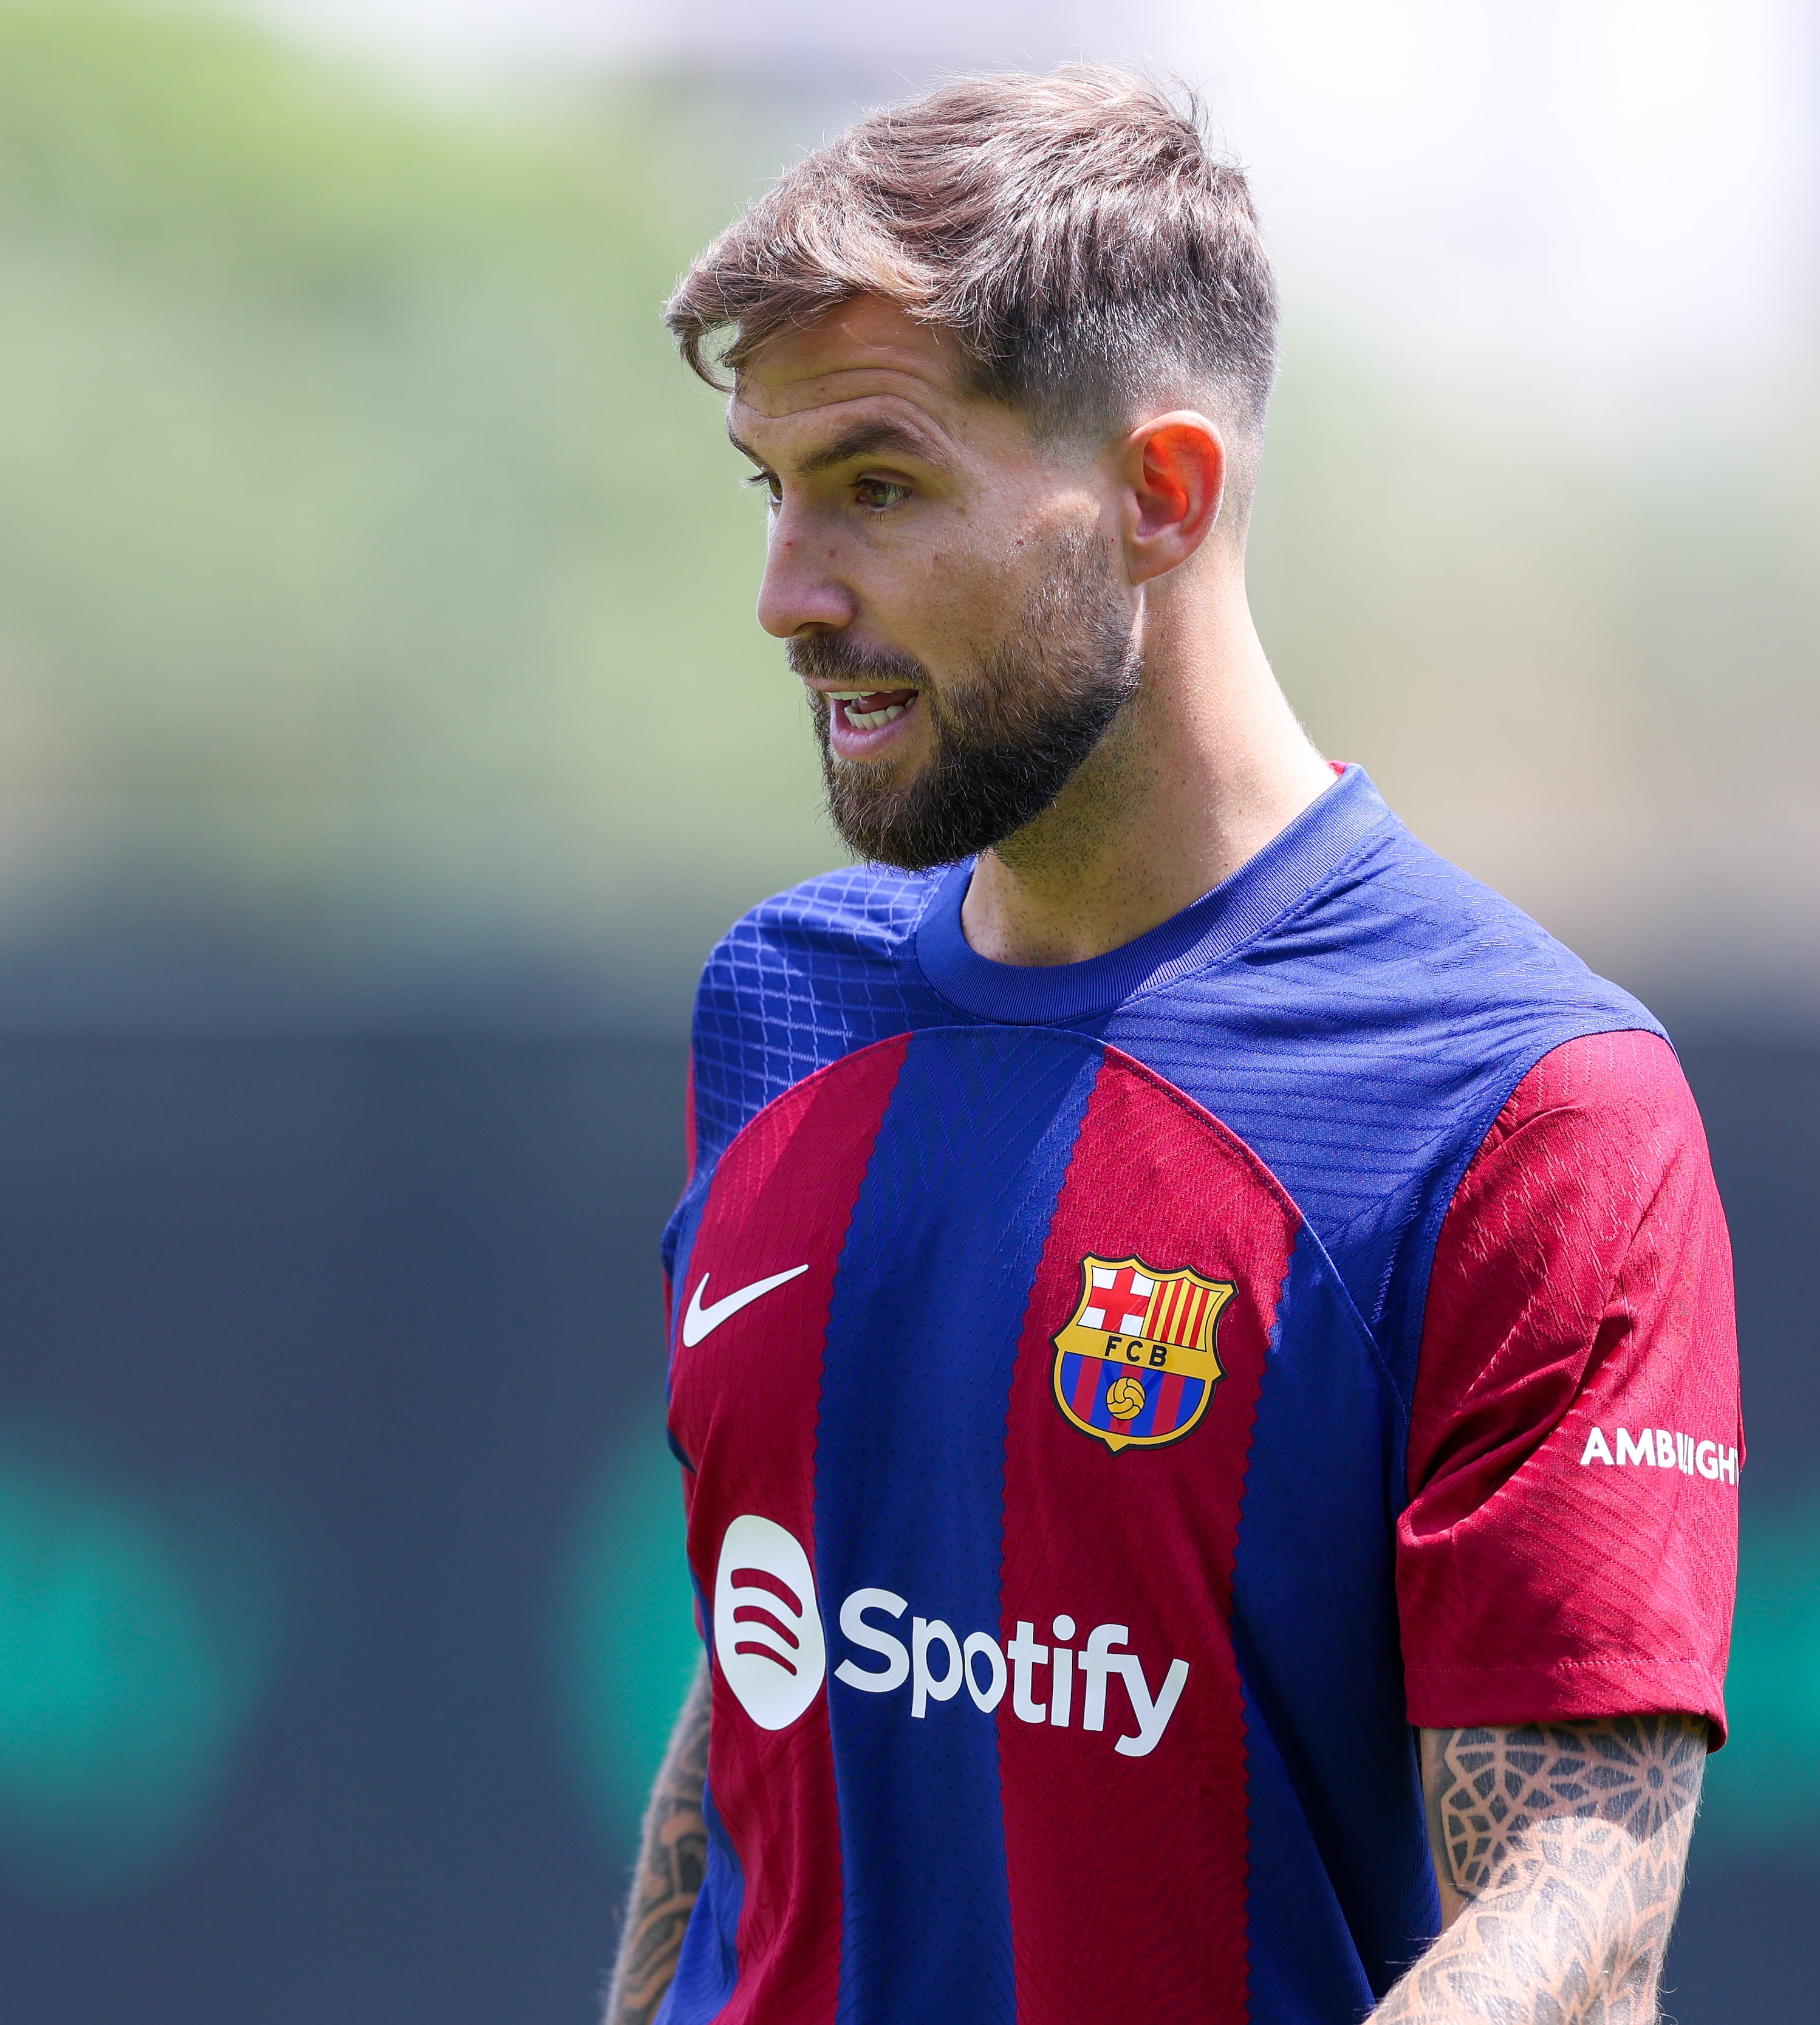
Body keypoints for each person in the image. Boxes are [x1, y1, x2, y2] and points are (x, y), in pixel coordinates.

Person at [606, 66, 1741, 2025]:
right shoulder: (780, 1003)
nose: (789, 595)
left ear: (1162, 494)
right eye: (772, 492)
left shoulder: (1529, 1107)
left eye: (876, 484)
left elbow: (1584, 1907)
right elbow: (764, 1688)